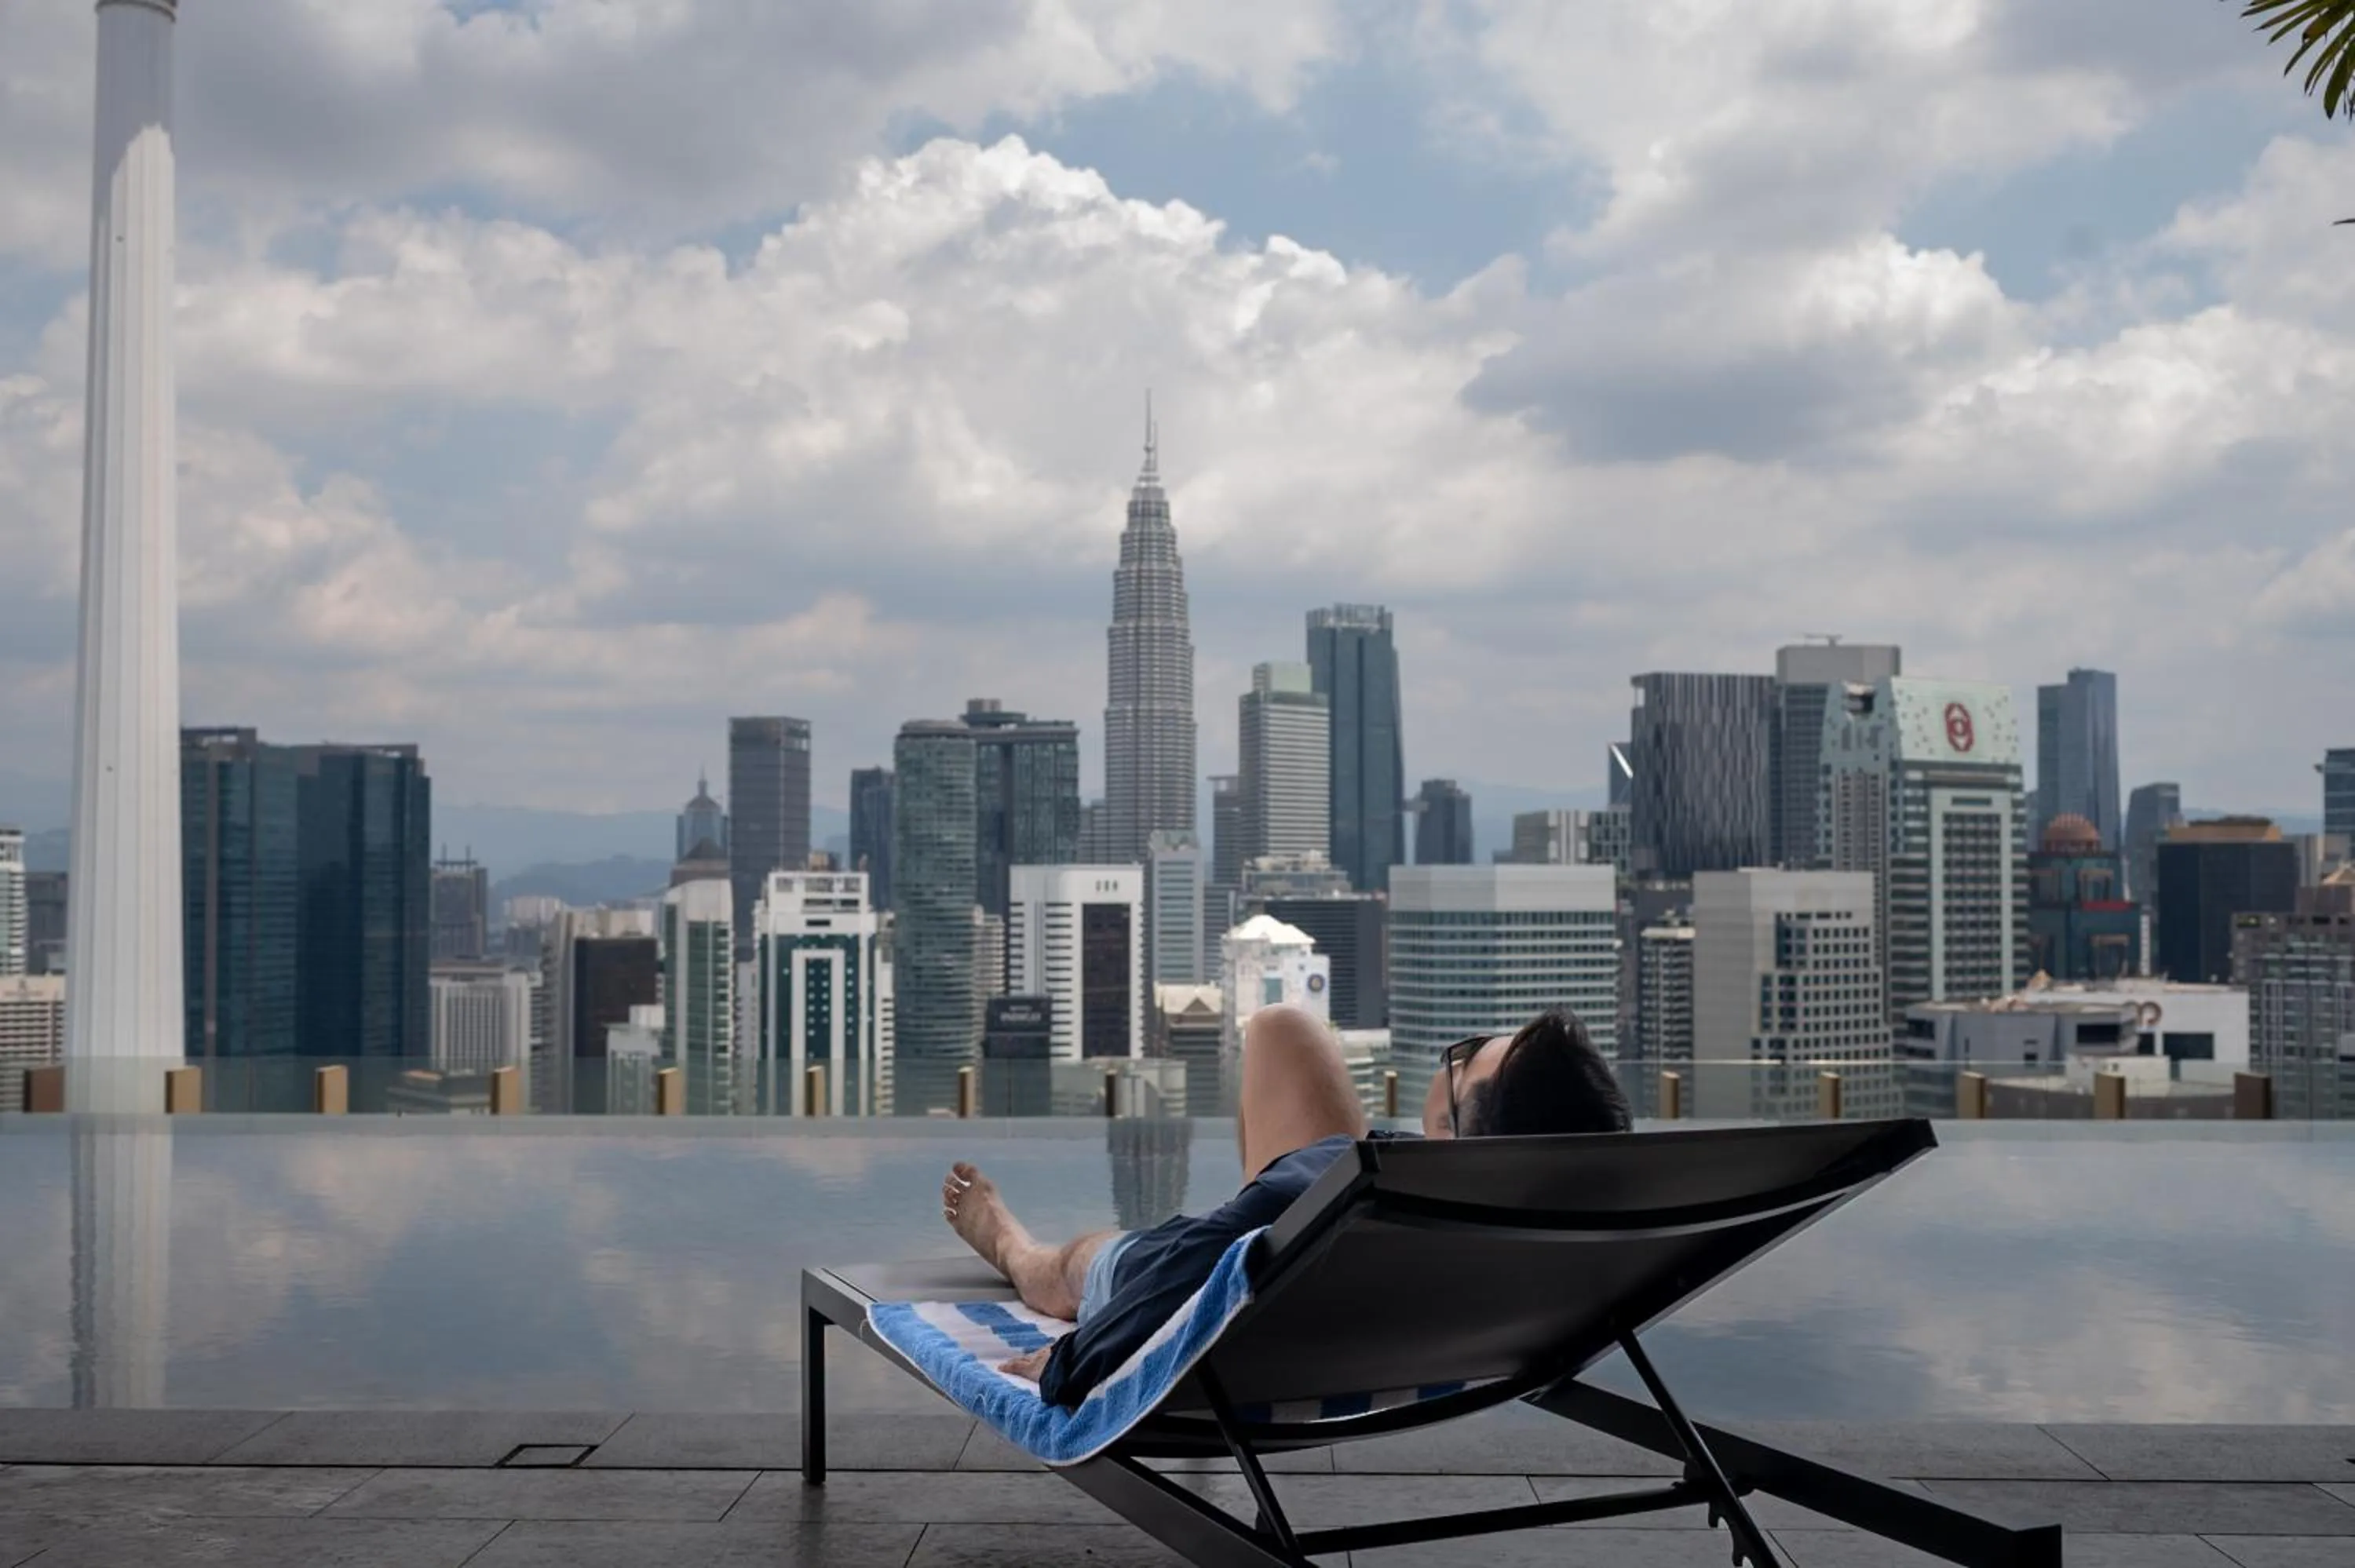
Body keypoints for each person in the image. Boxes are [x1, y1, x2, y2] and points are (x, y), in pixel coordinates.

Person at [940, 1004, 1631, 1407]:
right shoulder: (1549, 1220)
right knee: (1282, 1027)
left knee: (1094, 1259)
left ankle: (1018, 1252)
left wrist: (1071, 1361)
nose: (1453, 1056)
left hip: (1243, 1310)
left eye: (1467, 1057)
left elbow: (1194, 1264)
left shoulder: (1324, 1189)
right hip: (1371, 1301)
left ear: (1453, 1133)